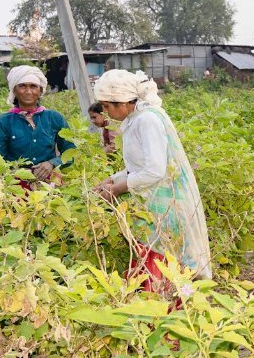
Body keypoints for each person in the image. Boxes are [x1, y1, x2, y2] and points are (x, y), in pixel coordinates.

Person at [91, 70, 212, 286]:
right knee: (158, 259)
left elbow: (155, 170)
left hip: (165, 204)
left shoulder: (147, 119)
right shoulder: (137, 118)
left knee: (164, 263)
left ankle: (166, 313)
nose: (105, 111)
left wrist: (118, 188)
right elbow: (139, 166)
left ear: (124, 101)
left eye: (107, 106)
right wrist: (112, 179)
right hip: (154, 200)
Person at [0, 65, 75, 186]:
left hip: (49, 183)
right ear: (14, 90)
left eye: (33, 86)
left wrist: (51, 163)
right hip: (15, 185)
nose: (28, 91)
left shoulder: (54, 118)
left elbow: (70, 152)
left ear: (41, 91)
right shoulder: (4, 121)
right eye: (22, 86)